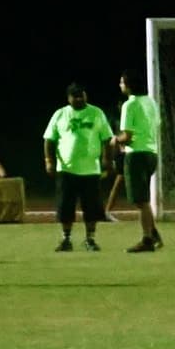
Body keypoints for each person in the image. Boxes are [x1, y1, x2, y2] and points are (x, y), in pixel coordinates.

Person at [41, 82, 112, 251]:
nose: (79, 98)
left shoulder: (96, 113)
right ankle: (66, 239)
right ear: (69, 98)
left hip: (91, 170)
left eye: (82, 95)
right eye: (75, 96)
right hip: (67, 169)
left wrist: (106, 159)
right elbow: (49, 139)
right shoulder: (60, 114)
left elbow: (107, 138)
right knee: (66, 207)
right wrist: (48, 161)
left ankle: (90, 239)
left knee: (91, 207)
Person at [112, 70, 163, 252]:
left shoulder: (130, 104)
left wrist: (115, 140)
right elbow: (156, 125)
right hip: (152, 154)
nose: (120, 85)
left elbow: (127, 136)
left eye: (121, 82)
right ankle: (153, 233)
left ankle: (147, 240)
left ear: (128, 85)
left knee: (140, 200)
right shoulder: (151, 102)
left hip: (137, 155)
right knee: (142, 199)